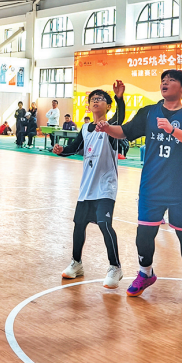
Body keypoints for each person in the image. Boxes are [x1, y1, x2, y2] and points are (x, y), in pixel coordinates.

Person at [96, 70, 182, 309]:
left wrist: (173, 130)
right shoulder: (148, 112)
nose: (165, 83)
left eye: (171, 80)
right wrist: (106, 128)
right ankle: (145, 273)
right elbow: (124, 131)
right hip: (152, 184)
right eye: (163, 80)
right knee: (145, 233)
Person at [54, 80, 125, 288]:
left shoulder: (112, 127)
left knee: (104, 224)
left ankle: (115, 267)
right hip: (87, 186)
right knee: (79, 225)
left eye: (100, 99)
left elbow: (121, 117)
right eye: (93, 99)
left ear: (108, 106)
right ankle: (77, 264)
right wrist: (62, 151)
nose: (96, 101)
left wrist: (119, 99)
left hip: (106, 186)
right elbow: (75, 148)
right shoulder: (85, 128)